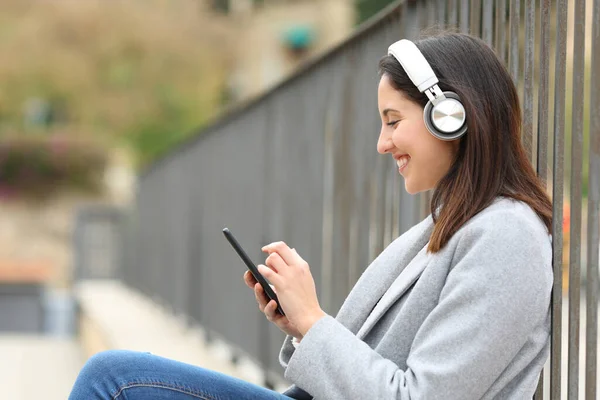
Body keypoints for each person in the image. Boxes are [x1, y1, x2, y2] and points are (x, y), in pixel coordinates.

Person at [68, 32, 553, 400]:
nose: (383, 144)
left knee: (114, 380)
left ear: (450, 114)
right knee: (113, 376)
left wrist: (314, 320)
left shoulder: (508, 235)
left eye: (393, 121)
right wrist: (300, 323)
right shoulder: (454, 223)